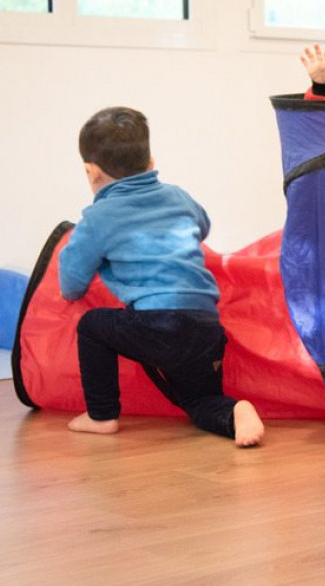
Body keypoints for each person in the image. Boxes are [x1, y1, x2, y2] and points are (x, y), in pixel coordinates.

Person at [59, 106, 264, 446]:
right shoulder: (178, 197)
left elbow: (71, 285)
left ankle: (101, 415)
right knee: (200, 403)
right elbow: (203, 226)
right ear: (151, 162)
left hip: (157, 325)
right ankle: (236, 412)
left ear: (91, 172)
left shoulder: (98, 219)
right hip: (206, 327)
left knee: (92, 326)